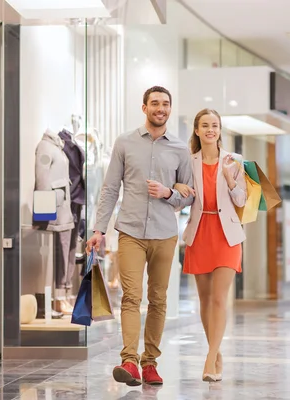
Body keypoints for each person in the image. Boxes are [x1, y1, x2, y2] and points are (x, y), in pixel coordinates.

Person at [86, 86, 193, 386]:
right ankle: (129, 362)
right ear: (144, 107)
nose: (161, 108)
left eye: (166, 104)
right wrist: (99, 230)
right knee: (131, 297)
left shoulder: (180, 149)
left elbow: (189, 196)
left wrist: (169, 192)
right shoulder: (125, 143)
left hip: (164, 234)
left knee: (158, 300)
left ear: (170, 109)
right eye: (155, 103)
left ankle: (150, 364)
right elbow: (109, 189)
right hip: (130, 231)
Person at [174, 108, 247, 382]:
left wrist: (230, 181)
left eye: (214, 125)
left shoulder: (234, 160)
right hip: (200, 231)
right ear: (196, 130)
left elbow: (241, 201)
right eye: (205, 125)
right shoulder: (188, 161)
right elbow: (183, 196)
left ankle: (210, 357)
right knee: (204, 301)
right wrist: (176, 188)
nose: (210, 130)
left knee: (219, 299)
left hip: (227, 234)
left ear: (220, 129)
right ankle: (215, 354)